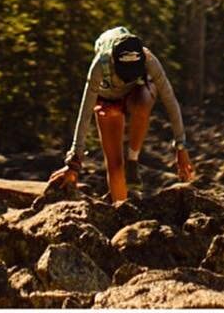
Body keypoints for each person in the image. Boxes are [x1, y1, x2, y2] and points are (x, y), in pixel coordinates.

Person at [48, 26, 195, 202]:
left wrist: (181, 147)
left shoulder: (148, 59)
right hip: (108, 99)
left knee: (145, 100)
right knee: (116, 165)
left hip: (135, 95)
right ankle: (121, 209)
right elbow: (85, 111)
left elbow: (170, 101)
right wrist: (73, 163)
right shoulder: (100, 64)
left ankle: (133, 160)